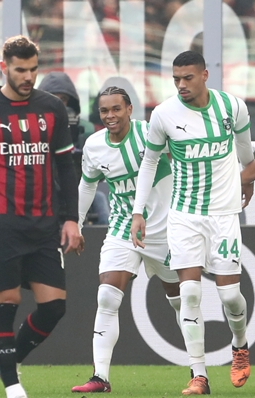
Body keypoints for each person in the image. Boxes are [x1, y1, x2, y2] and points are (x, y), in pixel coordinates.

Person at [0, 35, 80, 398]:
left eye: (33, 70)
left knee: (54, 306)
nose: (28, 77)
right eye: (20, 70)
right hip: (2, 224)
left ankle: (6, 360)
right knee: (6, 300)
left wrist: (70, 218)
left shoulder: (51, 108)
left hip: (44, 225)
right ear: (4, 67)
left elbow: (65, 167)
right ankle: (12, 386)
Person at [129, 50, 255, 395]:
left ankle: (240, 345)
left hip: (224, 213)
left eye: (187, 78)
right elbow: (150, 163)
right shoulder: (164, 114)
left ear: (204, 75)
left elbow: (244, 149)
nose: (181, 85)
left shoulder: (232, 107)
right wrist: (138, 211)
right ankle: (198, 374)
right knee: (190, 291)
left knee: (230, 296)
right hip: (184, 214)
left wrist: (248, 179)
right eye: (176, 79)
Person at [70, 87, 182, 393]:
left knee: (181, 302)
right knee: (107, 296)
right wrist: (77, 225)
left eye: (116, 109)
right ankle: (100, 377)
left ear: (129, 109)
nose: (110, 116)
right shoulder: (94, 146)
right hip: (122, 228)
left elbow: (195, 148)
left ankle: (198, 371)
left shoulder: (151, 132)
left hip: (163, 229)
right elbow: (87, 186)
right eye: (104, 111)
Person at [38, 71, 111, 225]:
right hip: (42, 191)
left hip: (79, 189)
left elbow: (99, 169)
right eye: (53, 98)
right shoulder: (33, 127)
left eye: (63, 99)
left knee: (100, 200)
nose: (58, 104)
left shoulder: (86, 130)